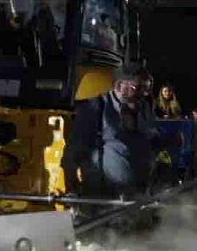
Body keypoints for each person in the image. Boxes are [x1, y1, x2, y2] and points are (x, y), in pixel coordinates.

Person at [62, 63, 173, 200]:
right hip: (102, 200)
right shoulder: (95, 108)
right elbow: (72, 153)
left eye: (147, 88)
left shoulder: (144, 108)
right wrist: (71, 190)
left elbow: (150, 141)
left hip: (137, 196)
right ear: (119, 86)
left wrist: (170, 140)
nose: (144, 94)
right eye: (139, 88)